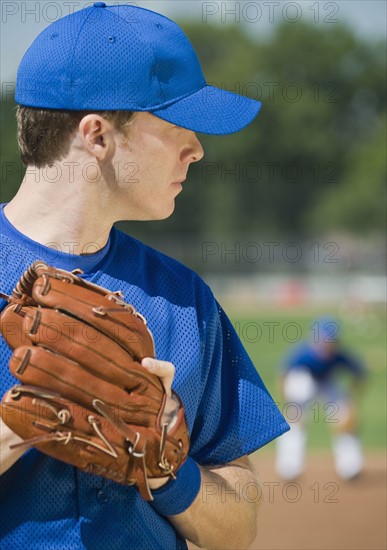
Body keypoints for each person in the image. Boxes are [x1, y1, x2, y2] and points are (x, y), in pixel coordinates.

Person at [0, 4, 289, 549]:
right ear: (98, 136)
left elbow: (239, 527)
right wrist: (26, 422)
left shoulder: (184, 300)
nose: (198, 149)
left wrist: (166, 468)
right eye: (179, 126)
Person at [275, 317, 367, 481]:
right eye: (322, 339)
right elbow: (283, 376)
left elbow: (360, 376)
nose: (326, 343)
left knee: (345, 420)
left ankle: (350, 467)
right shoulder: (302, 353)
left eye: (329, 340)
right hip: (302, 379)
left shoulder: (341, 355)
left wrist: (351, 403)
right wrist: (289, 404)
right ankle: (289, 467)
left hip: (328, 382)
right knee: (295, 421)